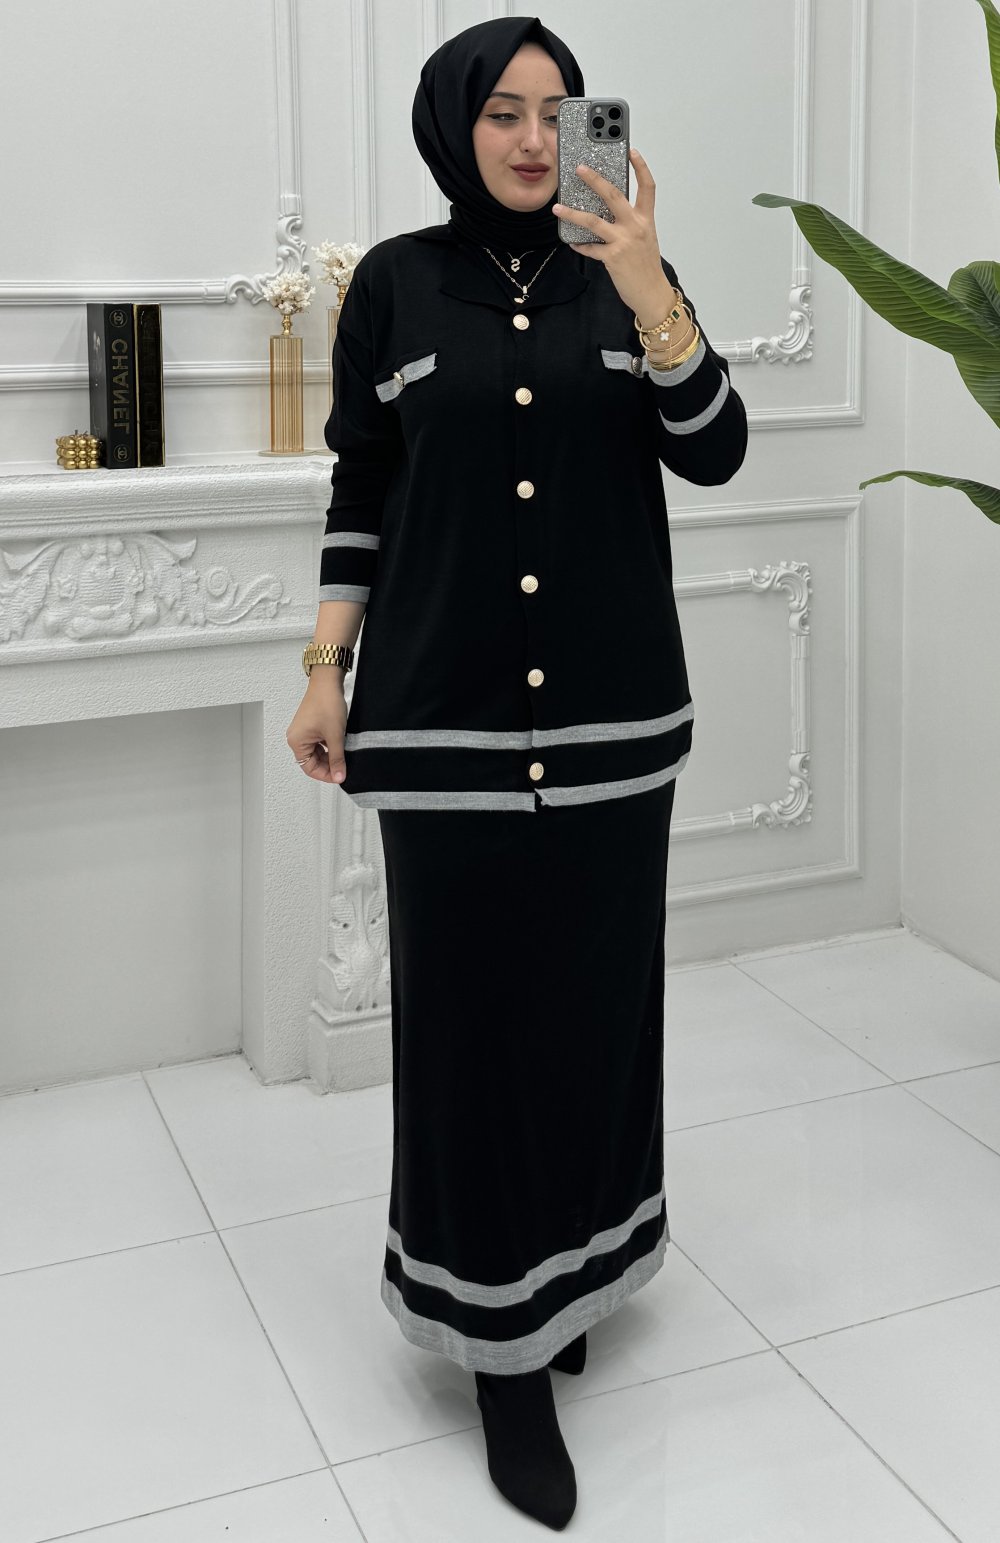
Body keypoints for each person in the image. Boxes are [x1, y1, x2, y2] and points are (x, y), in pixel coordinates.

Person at [286, 14, 748, 1530]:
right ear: (454, 125)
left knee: (597, 1023)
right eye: (504, 110)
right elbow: (364, 481)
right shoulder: (393, 285)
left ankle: (582, 1274)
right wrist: (323, 666)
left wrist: (652, 290)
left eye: (560, 110)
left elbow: (716, 448)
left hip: (615, 728)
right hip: (443, 726)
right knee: (472, 1033)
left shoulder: (630, 270)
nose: (537, 139)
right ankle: (500, 1348)